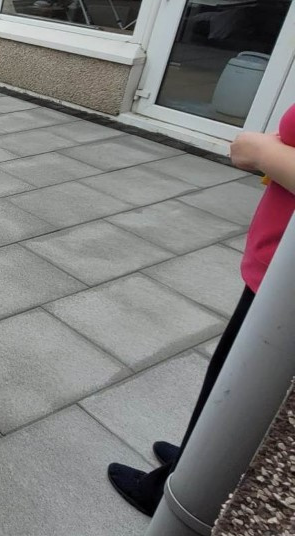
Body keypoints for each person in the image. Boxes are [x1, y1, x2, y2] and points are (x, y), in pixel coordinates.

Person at [108, 108, 295, 515]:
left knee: (235, 396)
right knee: (227, 385)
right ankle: (194, 459)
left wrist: (264, 153)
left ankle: (177, 492)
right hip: (275, 275)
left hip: (286, 290)